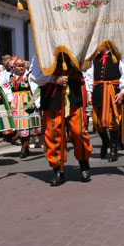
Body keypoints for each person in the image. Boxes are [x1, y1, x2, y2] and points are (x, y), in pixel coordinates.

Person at [32, 53, 92, 186]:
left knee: (78, 131)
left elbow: (88, 66)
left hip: (73, 92)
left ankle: (84, 164)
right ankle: (58, 170)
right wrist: (54, 79)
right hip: (52, 94)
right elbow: (36, 75)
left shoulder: (75, 47)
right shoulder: (42, 51)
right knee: (53, 133)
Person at [84, 44, 124, 162]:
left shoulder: (118, 56)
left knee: (112, 121)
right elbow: (89, 76)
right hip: (98, 92)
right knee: (97, 122)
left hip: (112, 92)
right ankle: (105, 141)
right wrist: (89, 94)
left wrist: (122, 92)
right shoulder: (94, 58)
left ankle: (113, 148)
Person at [7, 56, 41, 158]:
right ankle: (23, 144)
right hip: (16, 102)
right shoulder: (11, 77)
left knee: (26, 124)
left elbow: (36, 90)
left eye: (22, 66)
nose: (21, 68)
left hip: (26, 101)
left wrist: (34, 102)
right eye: (19, 66)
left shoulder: (29, 76)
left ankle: (25, 146)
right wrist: (10, 101)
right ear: (15, 67)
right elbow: (8, 90)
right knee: (19, 126)